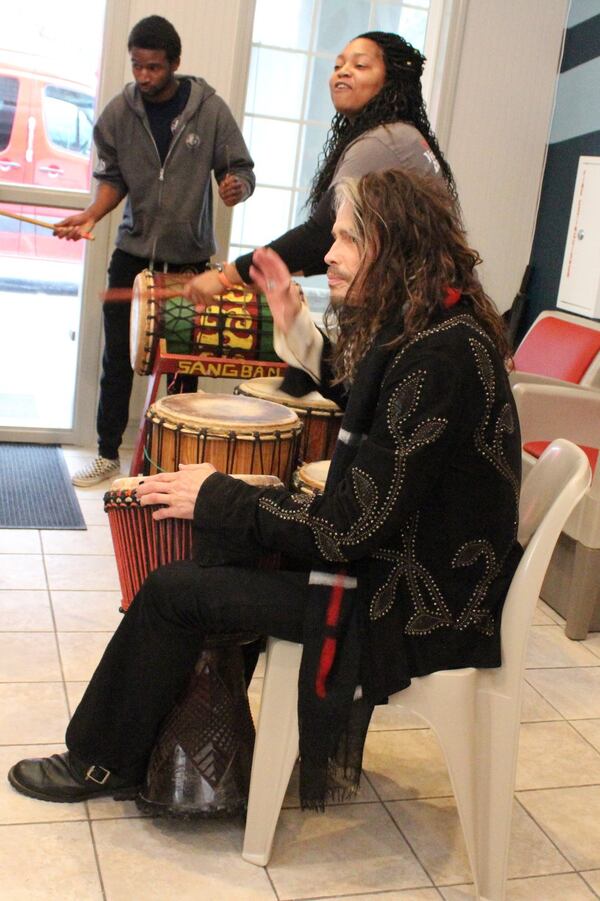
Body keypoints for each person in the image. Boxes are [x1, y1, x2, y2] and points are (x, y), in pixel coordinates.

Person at [8, 168, 522, 810]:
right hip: (417, 576)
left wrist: (218, 493)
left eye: (346, 240)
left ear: (393, 246)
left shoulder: (438, 356)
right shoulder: (437, 329)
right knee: (224, 548)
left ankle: (99, 761)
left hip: (412, 605)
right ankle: (198, 754)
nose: (328, 254)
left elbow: (344, 530)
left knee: (175, 590)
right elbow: (367, 399)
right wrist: (295, 325)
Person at [58, 15, 255, 487]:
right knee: (117, 360)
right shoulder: (119, 113)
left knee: (182, 366)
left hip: (190, 264)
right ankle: (108, 454)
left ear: (175, 63)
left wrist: (235, 188)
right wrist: (90, 215)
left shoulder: (210, 110)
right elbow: (112, 180)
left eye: (153, 67)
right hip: (132, 255)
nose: (143, 77)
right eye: (137, 66)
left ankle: (172, 463)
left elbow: (241, 170)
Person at [184, 31, 455, 312]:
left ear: (392, 81)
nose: (343, 73)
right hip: (429, 299)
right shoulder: (400, 134)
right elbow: (336, 242)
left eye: (360, 66)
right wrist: (272, 274)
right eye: (338, 66)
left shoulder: (381, 141)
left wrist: (227, 277)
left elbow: (320, 233)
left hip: (425, 306)